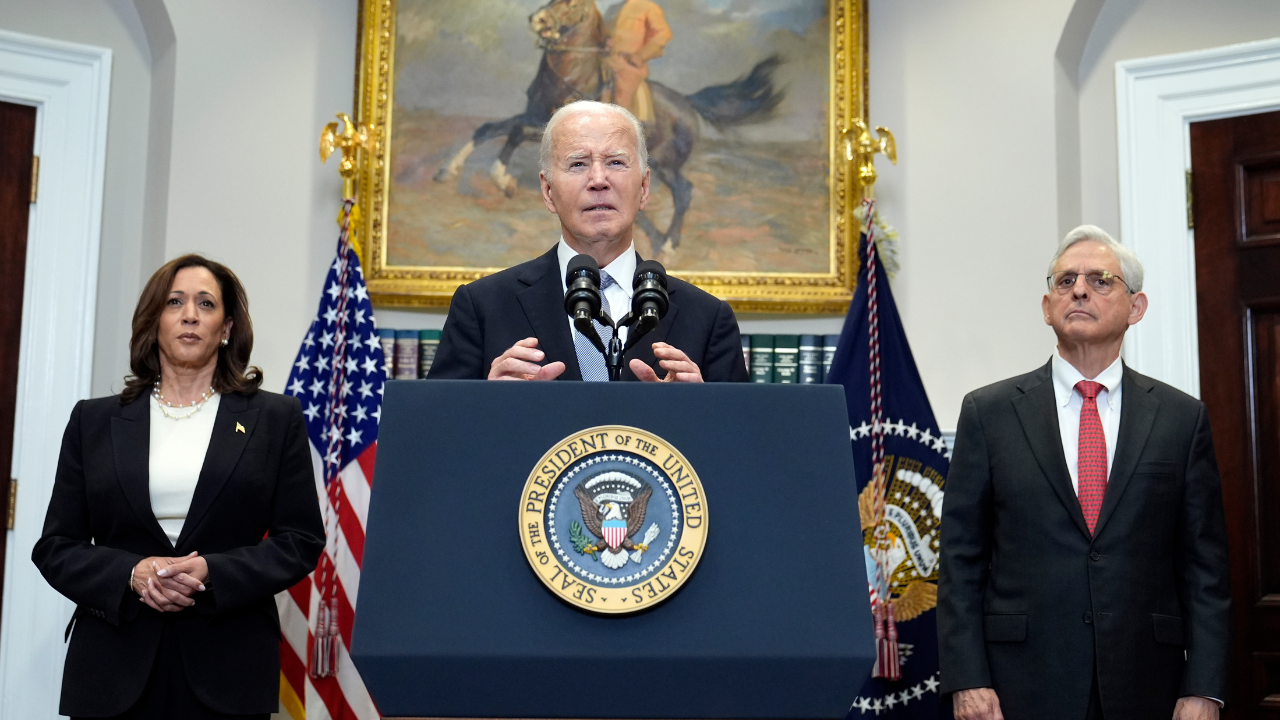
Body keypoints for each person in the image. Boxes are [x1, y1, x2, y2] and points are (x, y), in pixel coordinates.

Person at [938, 226, 1230, 720]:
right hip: (1018, 687)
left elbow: (1205, 570)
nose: (1079, 289)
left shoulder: (1182, 419)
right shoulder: (989, 413)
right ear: (1047, 306)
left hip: (1147, 685)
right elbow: (960, 561)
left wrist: (1204, 688)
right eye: (1065, 280)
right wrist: (968, 679)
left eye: (1100, 280)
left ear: (1136, 308)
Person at [32, 255, 325, 720]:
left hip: (229, 664)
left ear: (226, 327)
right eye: (175, 302)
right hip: (112, 665)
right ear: (155, 322)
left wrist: (213, 570)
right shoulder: (93, 421)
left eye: (205, 303)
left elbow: (301, 541)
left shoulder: (275, 419)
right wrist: (132, 573)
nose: (190, 314)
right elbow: (56, 547)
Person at [428, 100, 747, 383]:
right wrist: (484, 405)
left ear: (645, 187)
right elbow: (436, 439)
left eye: (616, 163)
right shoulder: (483, 307)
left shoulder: (707, 318)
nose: (598, 180)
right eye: (578, 164)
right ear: (548, 191)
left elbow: (741, 444)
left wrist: (701, 410)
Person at [603, 0, 671, 123]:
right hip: (603, 60)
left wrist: (640, 57)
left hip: (627, 64)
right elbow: (601, 32)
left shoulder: (649, 8)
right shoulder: (613, 9)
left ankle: (621, 130)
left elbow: (663, 35)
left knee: (620, 100)